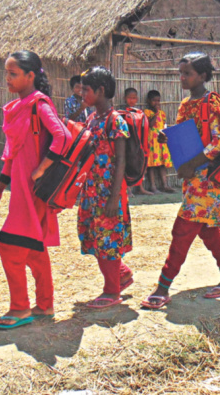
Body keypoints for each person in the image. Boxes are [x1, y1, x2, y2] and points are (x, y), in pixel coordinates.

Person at [141, 53, 220, 309]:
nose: (182, 78)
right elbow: (185, 135)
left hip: (205, 180)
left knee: (182, 232)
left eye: (188, 73)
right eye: (181, 73)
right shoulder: (186, 103)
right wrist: (167, 138)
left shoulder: (212, 102)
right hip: (191, 178)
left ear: (203, 76)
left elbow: (218, 141)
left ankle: (163, 286)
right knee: (208, 230)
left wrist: (192, 164)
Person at [0, 50, 71, 329]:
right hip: (20, 190)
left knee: (8, 246)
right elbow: (12, 154)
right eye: (6, 73)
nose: (7, 79)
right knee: (34, 249)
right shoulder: (18, 107)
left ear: (30, 76)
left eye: (13, 73)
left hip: (33, 191)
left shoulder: (38, 104)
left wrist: (42, 168)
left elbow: (61, 136)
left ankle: (20, 308)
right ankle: (45, 305)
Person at [77, 67, 134, 308]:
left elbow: (120, 160)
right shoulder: (91, 119)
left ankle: (112, 291)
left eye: (86, 90)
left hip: (108, 192)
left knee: (107, 241)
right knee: (96, 237)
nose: (82, 95)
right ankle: (121, 274)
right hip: (91, 191)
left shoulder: (115, 121)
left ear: (101, 91)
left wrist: (113, 198)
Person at [123, 87, 153, 196]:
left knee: (141, 165)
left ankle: (141, 188)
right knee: (128, 165)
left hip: (140, 143)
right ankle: (128, 189)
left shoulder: (140, 113)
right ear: (125, 98)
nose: (132, 100)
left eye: (134, 98)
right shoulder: (123, 113)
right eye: (129, 98)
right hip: (129, 145)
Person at [144, 90, 175, 194]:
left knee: (162, 165)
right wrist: (156, 113)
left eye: (158, 101)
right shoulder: (147, 112)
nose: (156, 103)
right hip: (152, 142)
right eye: (154, 101)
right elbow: (151, 125)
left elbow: (164, 125)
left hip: (161, 143)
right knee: (151, 165)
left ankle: (165, 185)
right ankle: (153, 186)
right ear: (149, 101)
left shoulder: (163, 113)